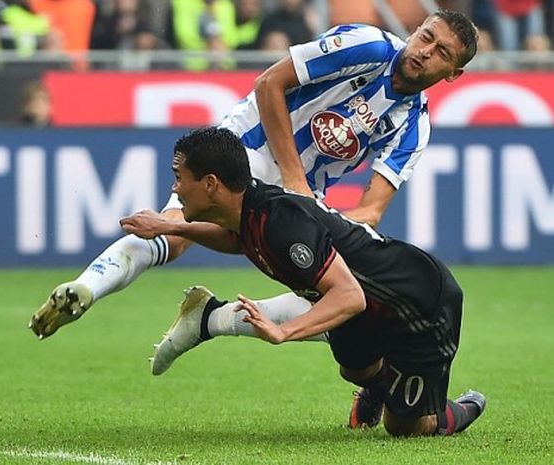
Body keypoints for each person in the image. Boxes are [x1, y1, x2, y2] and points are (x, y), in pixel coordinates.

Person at [28, 9, 478, 340]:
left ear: (453, 73)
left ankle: (213, 320)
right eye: (425, 37)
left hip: (299, 193)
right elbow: (269, 84)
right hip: (247, 145)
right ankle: (86, 287)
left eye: (441, 53)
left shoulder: (414, 127)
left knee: (340, 289)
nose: (424, 52)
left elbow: (372, 210)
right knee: (179, 233)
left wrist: (335, 231)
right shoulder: (368, 45)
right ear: (414, 31)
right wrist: (296, 181)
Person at [119, 126, 486, 437]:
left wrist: (285, 332)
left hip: (419, 304)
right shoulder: (248, 211)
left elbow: (349, 295)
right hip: (366, 308)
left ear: (211, 183)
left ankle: (462, 407)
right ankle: (381, 387)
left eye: (180, 177)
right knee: (354, 368)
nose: (176, 188)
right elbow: (235, 239)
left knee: (406, 429)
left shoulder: (280, 221)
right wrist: (172, 226)